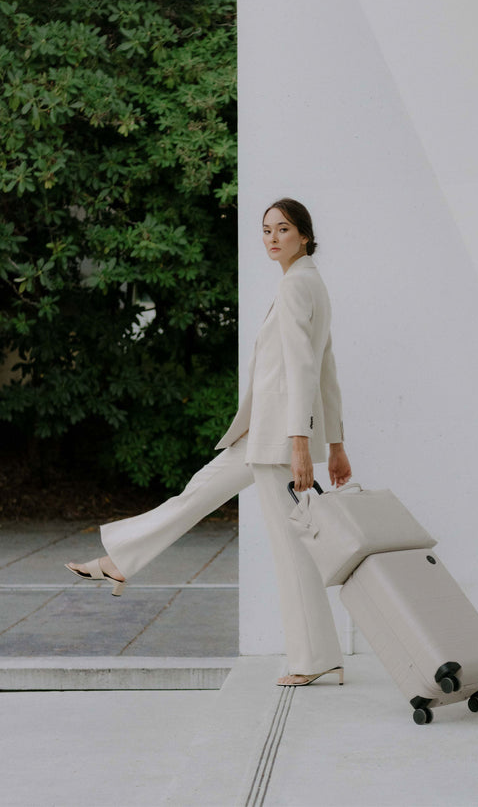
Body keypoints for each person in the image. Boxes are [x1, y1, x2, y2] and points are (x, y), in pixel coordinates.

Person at [66, 198, 352, 687]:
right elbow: (326, 370)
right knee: (199, 491)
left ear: (304, 235)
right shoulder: (308, 283)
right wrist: (338, 443)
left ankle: (313, 658)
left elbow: (309, 369)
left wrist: (304, 444)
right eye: (266, 230)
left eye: (283, 229)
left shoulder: (297, 287)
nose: (272, 238)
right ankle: (121, 560)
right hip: (263, 434)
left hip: (280, 440)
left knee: (289, 549)